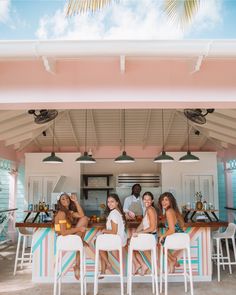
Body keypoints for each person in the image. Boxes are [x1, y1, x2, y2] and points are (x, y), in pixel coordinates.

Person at [54, 192, 89, 280]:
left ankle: (77, 265)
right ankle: (77, 265)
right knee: (84, 224)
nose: (65, 200)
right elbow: (63, 232)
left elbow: (81, 215)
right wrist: (79, 229)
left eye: (67, 198)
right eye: (63, 199)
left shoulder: (68, 212)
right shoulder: (61, 213)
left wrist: (76, 201)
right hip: (63, 239)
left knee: (85, 219)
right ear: (60, 202)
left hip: (67, 238)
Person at [100, 193, 127, 274]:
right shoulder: (119, 212)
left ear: (117, 202)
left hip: (115, 240)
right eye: (108, 202)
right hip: (121, 241)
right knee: (101, 245)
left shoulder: (113, 213)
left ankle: (107, 264)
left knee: (97, 242)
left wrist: (104, 230)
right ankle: (103, 270)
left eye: (112, 201)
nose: (109, 204)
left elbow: (114, 231)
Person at [158, 192, 185, 273]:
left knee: (158, 241)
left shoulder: (169, 211)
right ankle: (172, 260)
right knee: (159, 241)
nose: (164, 202)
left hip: (176, 238)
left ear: (171, 201)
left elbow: (172, 230)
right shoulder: (173, 211)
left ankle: (172, 260)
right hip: (181, 238)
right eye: (162, 200)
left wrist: (163, 236)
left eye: (166, 200)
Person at [132, 191, 158, 275]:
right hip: (148, 237)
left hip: (151, 237)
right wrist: (136, 232)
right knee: (131, 244)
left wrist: (139, 233)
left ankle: (142, 265)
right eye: (145, 199)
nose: (147, 201)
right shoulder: (148, 209)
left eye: (149, 199)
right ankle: (145, 266)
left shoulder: (150, 209)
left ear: (152, 200)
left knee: (129, 243)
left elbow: (152, 228)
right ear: (142, 200)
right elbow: (143, 224)